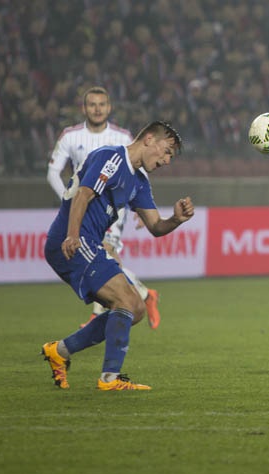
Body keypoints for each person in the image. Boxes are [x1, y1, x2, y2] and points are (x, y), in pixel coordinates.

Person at [41, 121, 194, 390]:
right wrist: (72, 235)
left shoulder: (139, 180)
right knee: (126, 300)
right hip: (72, 239)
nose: (167, 160)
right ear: (148, 139)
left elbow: (156, 226)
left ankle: (60, 352)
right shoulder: (111, 157)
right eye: (167, 151)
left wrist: (176, 220)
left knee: (134, 309)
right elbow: (83, 195)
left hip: (88, 241)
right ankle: (110, 379)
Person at [48, 86, 162, 329]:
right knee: (105, 259)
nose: (97, 109)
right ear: (84, 108)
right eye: (92, 105)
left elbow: (138, 170)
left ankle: (102, 312)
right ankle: (142, 294)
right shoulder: (70, 136)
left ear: (109, 108)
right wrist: (68, 201)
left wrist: (140, 209)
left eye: (102, 105)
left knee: (106, 251)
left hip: (112, 210)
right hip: (80, 204)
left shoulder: (122, 137)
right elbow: (52, 172)